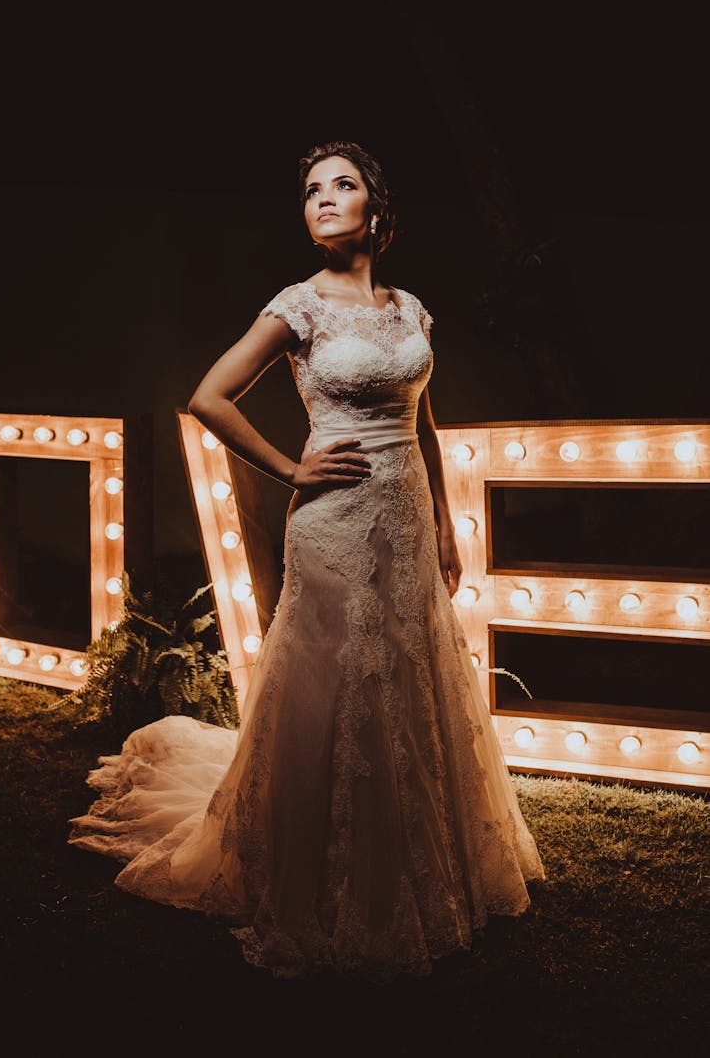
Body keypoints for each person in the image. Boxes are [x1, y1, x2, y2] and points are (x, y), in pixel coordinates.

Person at [69, 139, 546, 983]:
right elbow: (210, 395)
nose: (324, 199)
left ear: (377, 207)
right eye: (311, 190)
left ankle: (410, 861)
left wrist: (443, 522)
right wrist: (292, 467)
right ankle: (318, 873)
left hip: (404, 523)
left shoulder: (410, 309)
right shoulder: (300, 305)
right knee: (333, 688)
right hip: (331, 522)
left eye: (343, 184)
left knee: (406, 683)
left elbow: (422, 421)